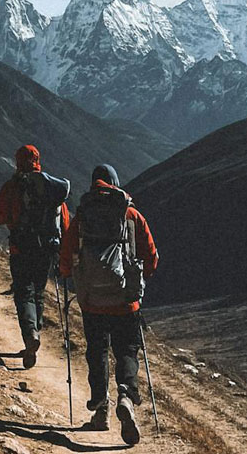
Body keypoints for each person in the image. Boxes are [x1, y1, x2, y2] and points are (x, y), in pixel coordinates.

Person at [59, 164, 158, 443]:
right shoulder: (131, 215)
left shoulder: (81, 218)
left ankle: (100, 410)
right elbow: (151, 257)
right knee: (127, 350)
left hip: (92, 302)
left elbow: (66, 258)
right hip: (126, 301)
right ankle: (126, 395)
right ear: (116, 184)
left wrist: (68, 274)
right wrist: (139, 279)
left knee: (97, 351)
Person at [0, 145, 70, 369]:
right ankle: (34, 334)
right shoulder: (51, 189)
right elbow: (64, 222)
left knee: (23, 292)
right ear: (38, 160)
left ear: (18, 161)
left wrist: (14, 221)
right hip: (46, 250)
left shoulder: (14, 186)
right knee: (38, 293)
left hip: (21, 248)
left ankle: (30, 335)